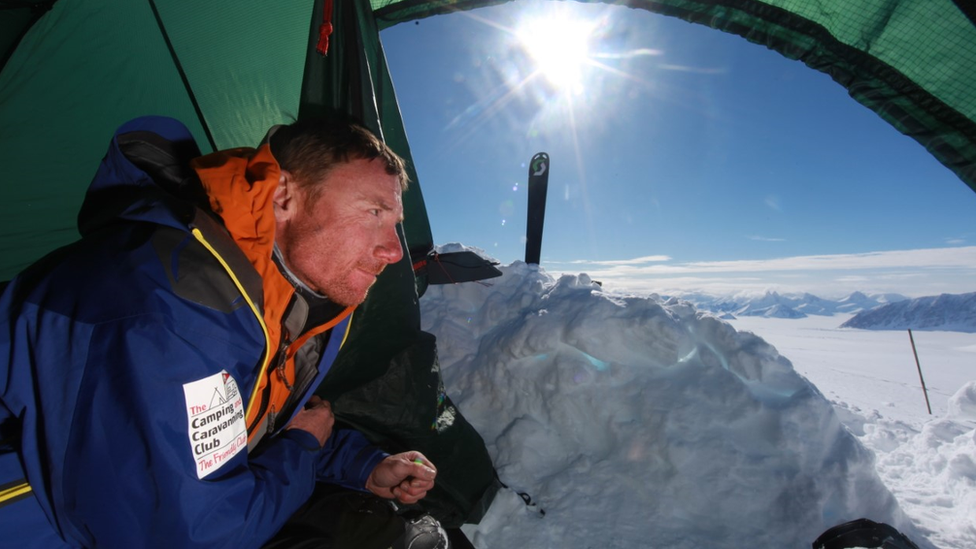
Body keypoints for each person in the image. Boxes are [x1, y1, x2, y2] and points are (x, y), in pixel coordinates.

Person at [0, 115, 447, 548]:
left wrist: (361, 465)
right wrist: (303, 448)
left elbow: (244, 433)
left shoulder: (285, 304)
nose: (393, 250)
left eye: (395, 225)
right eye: (373, 211)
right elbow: (189, 535)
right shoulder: (169, 300)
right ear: (284, 196)